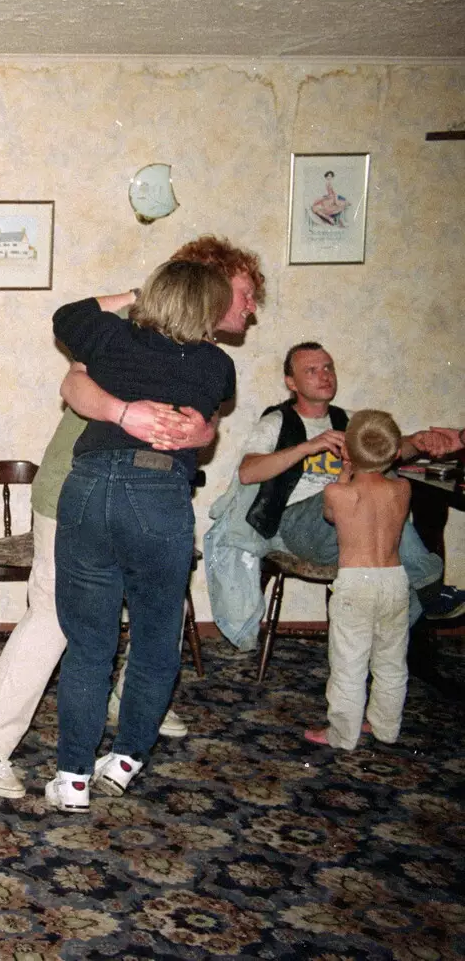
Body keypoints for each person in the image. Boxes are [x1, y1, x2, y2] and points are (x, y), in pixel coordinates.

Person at [0, 236, 263, 800]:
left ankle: (124, 714)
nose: (249, 307)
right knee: (57, 617)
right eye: (243, 293)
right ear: (207, 285)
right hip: (77, 486)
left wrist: (201, 432)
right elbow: (73, 384)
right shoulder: (130, 325)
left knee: (123, 624)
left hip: (129, 492)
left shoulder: (199, 357)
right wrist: (129, 413)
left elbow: (205, 423)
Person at [47, 260, 237, 813]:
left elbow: (69, 313)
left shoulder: (111, 336)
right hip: (156, 495)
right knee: (155, 643)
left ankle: (72, 781)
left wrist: (134, 293)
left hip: (86, 489)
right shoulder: (217, 365)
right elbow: (204, 425)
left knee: (89, 646)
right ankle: (126, 761)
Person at [204, 343, 460, 652]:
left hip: (351, 526)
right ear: (291, 383)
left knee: (384, 506)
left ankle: (378, 649)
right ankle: (431, 588)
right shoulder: (277, 421)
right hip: (300, 526)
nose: (324, 375)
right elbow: (248, 472)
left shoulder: (350, 421)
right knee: (372, 501)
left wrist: (417, 442)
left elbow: (390, 450)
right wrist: (307, 447)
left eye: (328, 367)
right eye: (311, 370)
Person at [305, 410, 412, 749]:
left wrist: (342, 475)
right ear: (396, 454)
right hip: (395, 581)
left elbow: (330, 516)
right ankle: (385, 726)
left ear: (346, 453)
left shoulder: (338, 493)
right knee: (391, 660)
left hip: (355, 583)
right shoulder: (403, 488)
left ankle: (342, 734)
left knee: (349, 664)